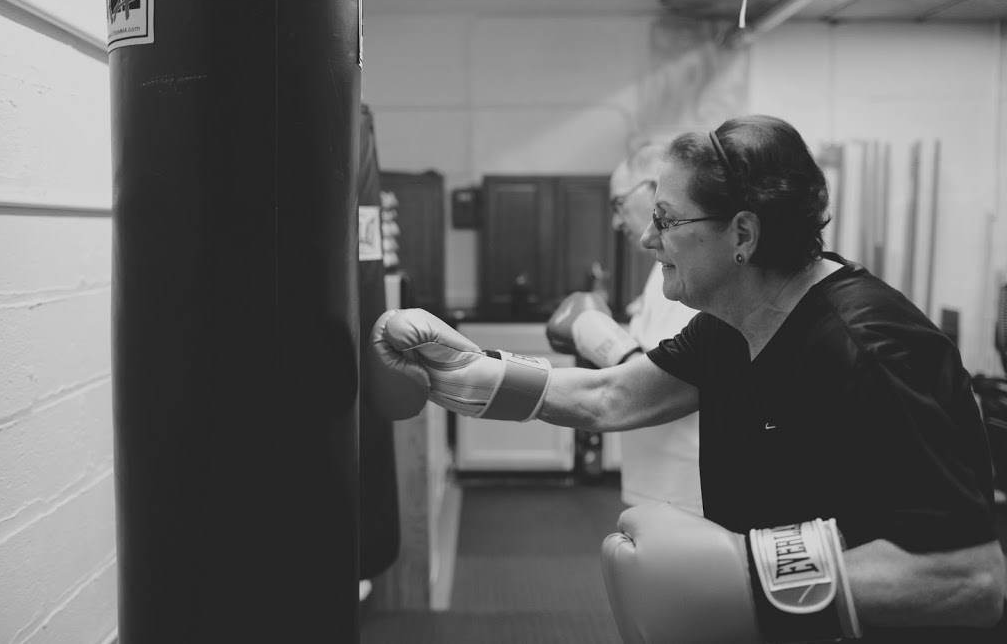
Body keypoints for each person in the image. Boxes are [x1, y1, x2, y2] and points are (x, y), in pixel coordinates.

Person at [366, 115, 1007, 642]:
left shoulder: (873, 352)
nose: (647, 237)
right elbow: (611, 395)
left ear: (743, 236)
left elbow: (971, 579)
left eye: (667, 220)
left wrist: (744, 577)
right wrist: (458, 372)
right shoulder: (734, 323)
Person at [546, 141, 703, 515]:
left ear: (655, 189)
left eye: (619, 203)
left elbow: (673, 382)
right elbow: (662, 353)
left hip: (684, 482)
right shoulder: (662, 269)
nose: (616, 221)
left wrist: (601, 336)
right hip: (654, 473)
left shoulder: (695, 271)